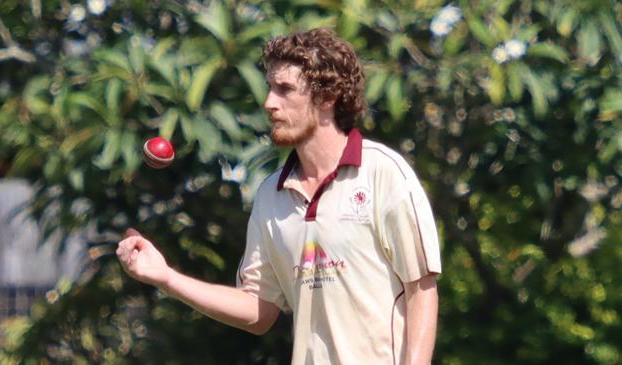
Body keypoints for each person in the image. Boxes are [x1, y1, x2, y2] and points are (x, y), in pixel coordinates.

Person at [116, 27, 441, 365]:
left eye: (284, 89)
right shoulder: (270, 196)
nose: (269, 103)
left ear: (327, 97)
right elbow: (259, 311)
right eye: (270, 88)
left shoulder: (382, 173)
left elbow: (421, 289)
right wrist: (166, 278)